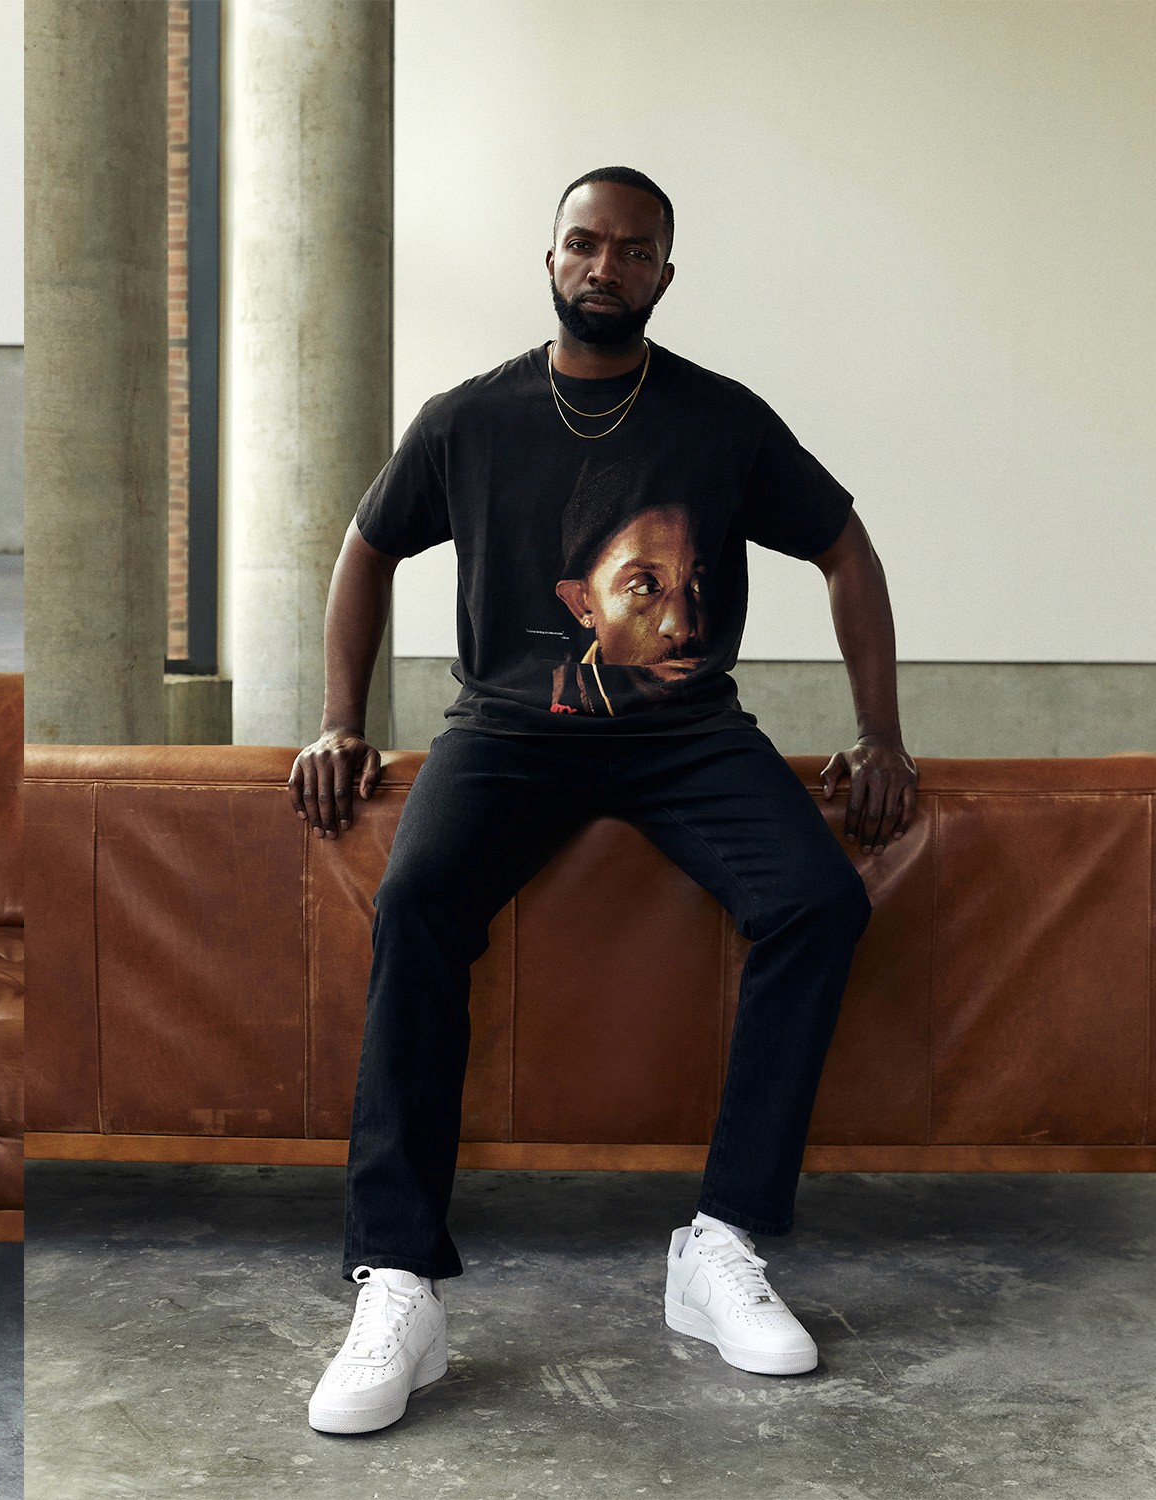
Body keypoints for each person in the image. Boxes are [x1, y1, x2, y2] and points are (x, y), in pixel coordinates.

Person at [289, 169, 919, 1435]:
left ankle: (720, 1243)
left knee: (815, 903)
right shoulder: (470, 419)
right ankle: (396, 1279)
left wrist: (880, 735)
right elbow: (366, 545)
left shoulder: (721, 420)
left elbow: (846, 545)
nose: (604, 267)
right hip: (509, 730)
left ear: (663, 276)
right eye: (584, 244)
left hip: (687, 737)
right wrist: (342, 719)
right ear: (550, 258)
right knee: (413, 904)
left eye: (633, 252)